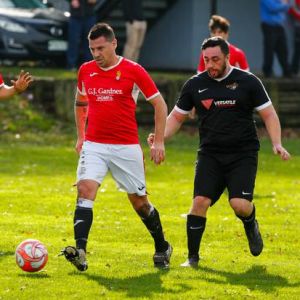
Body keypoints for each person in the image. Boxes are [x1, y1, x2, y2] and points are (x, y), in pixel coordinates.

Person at [148, 37, 290, 267]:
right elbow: (176, 116)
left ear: (227, 58)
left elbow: (269, 114)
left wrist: (277, 143)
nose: (210, 65)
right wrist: (160, 137)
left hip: (243, 153)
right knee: (199, 202)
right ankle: (192, 258)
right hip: (210, 154)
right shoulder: (195, 84)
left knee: (240, 205)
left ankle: (250, 222)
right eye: (206, 60)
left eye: (215, 59)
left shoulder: (248, 81)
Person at [61, 22, 172, 271]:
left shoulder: (134, 71)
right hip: (94, 145)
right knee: (85, 189)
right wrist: (81, 137)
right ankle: (80, 252)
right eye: (92, 49)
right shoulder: (86, 71)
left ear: (114, 43)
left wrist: (160, 141)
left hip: (126, 147)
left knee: (140, 204)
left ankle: (162, 246)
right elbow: (80, 103)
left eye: (101, 48)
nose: (96, 54)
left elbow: (160, 105)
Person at [260, 0, 291, 77]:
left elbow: (287, 8)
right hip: (269, 26)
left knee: (283, 50)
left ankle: (287, 72)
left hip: (280, 26)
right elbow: (273, 8)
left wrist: (284, 4)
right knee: (269, 50)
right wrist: (285, 4)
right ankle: (267, 72)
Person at [66, 0, 97, 70]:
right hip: (75, 16)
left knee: (90, 41)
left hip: (89, 15)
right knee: (73, 41)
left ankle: (89, 66)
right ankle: (71, 65)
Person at [289, 0, 300, 75]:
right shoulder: (293, 2)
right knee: (298, 50)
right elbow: (291, 11)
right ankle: (294, 70)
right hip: (298, 28)